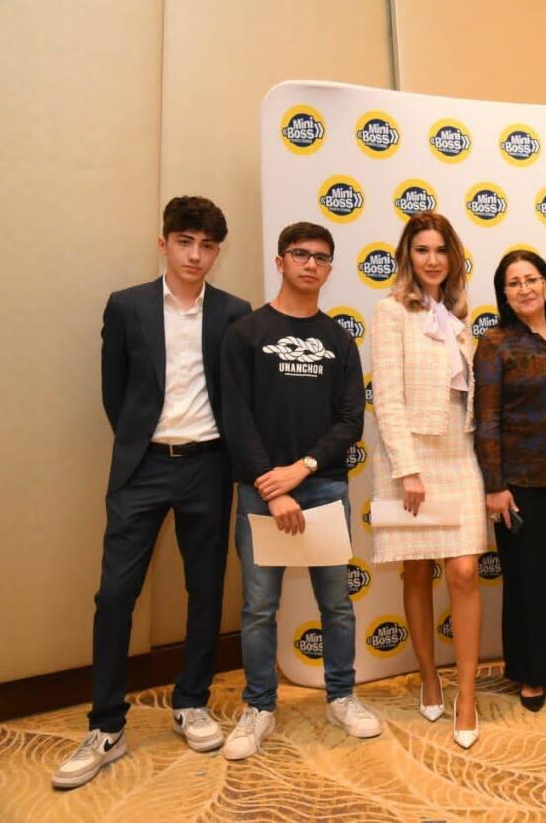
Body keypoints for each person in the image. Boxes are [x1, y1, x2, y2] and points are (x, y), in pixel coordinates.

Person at [53, 197, 251, 789]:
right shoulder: (128, 305)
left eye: (207, 245)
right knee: (115, 594)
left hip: (207, 466)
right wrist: (144, 443)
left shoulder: (234, 312)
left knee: (204, 589)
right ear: (163, 243)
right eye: (185, 241)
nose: (196, 255)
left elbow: (236, 395)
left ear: (218, 252)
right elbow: (115, 393)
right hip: (142, 467)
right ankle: (106, 725)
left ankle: (192, 701)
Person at [218, 221, 381, 760]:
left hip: (324, 486)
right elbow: (236, 417)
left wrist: (303, 470)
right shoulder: (246, 332)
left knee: (336, 604)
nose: (311, 264)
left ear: (329, 268)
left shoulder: (338, 339)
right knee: (259, 607)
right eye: (300, 254)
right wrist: (273, 485)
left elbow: (350, 421)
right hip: (261, 491)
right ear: (280, 261)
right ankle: (259, 706)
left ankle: (342, 696)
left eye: (321, 257)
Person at [369, 211, 484, 749]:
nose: (432, 259)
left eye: (441, 250)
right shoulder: (389, 311)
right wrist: (407, 469)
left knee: (463, 571)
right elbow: (387, 396)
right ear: (407, 257)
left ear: (452, 257)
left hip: (460, 453)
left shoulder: (460, 315)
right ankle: (429, 677)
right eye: (422, 250)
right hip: (412, 457)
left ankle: (468, 694)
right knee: (416, 571)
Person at [474, 250, 546, 712]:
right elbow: (486, 419)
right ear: (503, 293)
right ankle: (532, 673)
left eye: (531, 279)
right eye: (513, 282)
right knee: (529, 581)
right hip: (520, 484)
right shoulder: (495, 342)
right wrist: (495, 484)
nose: (524, 288)